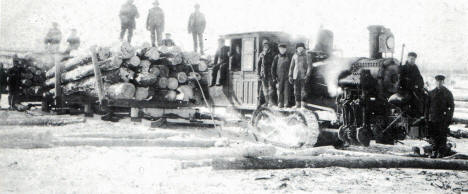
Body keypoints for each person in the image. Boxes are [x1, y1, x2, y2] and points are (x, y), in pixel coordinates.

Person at [427, 75, 454, 158]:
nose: (439, 83)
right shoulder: (431, 93)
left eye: (441, 82)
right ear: (435, 82)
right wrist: (426, 117)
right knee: (433, 136)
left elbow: (451, 107)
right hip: (433, 118)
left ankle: (441, 153)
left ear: (443, 82)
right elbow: (427, 107)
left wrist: (449, 117)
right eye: (437, 81)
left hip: (443, 118)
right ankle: (434, 151)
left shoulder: (447, 93)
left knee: (442, 136)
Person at [400, 52, 425, 117]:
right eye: (411, 59)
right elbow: (399, 80)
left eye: (414, 59)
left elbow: (420, 79)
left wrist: (419, 86)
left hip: (414, 90)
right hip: (404, 91)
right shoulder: (403, 68)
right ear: (407, 58)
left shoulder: (415, 69)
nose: (412, 61)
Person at [289, 42, 311, 108]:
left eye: (301, 48)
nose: (300, 49)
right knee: (296, 91)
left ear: (303, 48)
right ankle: (297, 104)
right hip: (296, 76)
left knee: (303, 91)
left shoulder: (307, 55)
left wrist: (307, 75)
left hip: (303, 76)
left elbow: (309, 66)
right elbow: (291, 67)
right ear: (296, 49)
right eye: (298, 48)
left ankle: (303, 105)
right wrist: (290, 75)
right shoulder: (294, 56)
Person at [257, 40, 277, 106]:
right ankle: (266, 102)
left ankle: (271, 102)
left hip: (270, 74)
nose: (266, 46)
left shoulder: (272, 53)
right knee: (265, 89)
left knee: (271, 88)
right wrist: (258, 74)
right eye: (264, 45)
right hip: (263, 74)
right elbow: (258, 64)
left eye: (267, 45)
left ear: (269, 46)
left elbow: (274, 64)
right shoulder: (261, 54)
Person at [271, 43, 291, 108]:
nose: (282, 50)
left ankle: (286, 104)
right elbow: (273, 68)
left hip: (287, 77)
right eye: (280, 49)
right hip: (279, 78)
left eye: (283, 49)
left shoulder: (288, 57)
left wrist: (291, 76)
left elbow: (292, 67)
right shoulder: (276, 57)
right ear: (279, 49)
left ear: (285, 49)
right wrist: (274, 78)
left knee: (286, 91)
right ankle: (280, 103)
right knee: (279, 91)